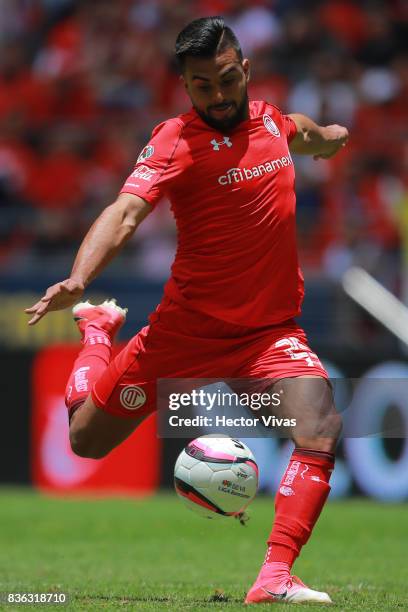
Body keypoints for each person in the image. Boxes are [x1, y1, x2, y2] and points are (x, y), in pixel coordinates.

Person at [26, 16, 348, 605]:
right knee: (85, 441)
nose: (219, 96)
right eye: (203, 86)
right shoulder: (173, 141)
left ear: (245, 69)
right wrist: (80, 277)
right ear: (185, 86)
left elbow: (304, 132)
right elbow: (125, 212)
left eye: (227, 80)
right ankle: (98, 335)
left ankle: (274, 576)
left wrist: (330, 136)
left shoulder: (272, 122)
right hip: (185, 331)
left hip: (268, 332)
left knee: (320, 426)